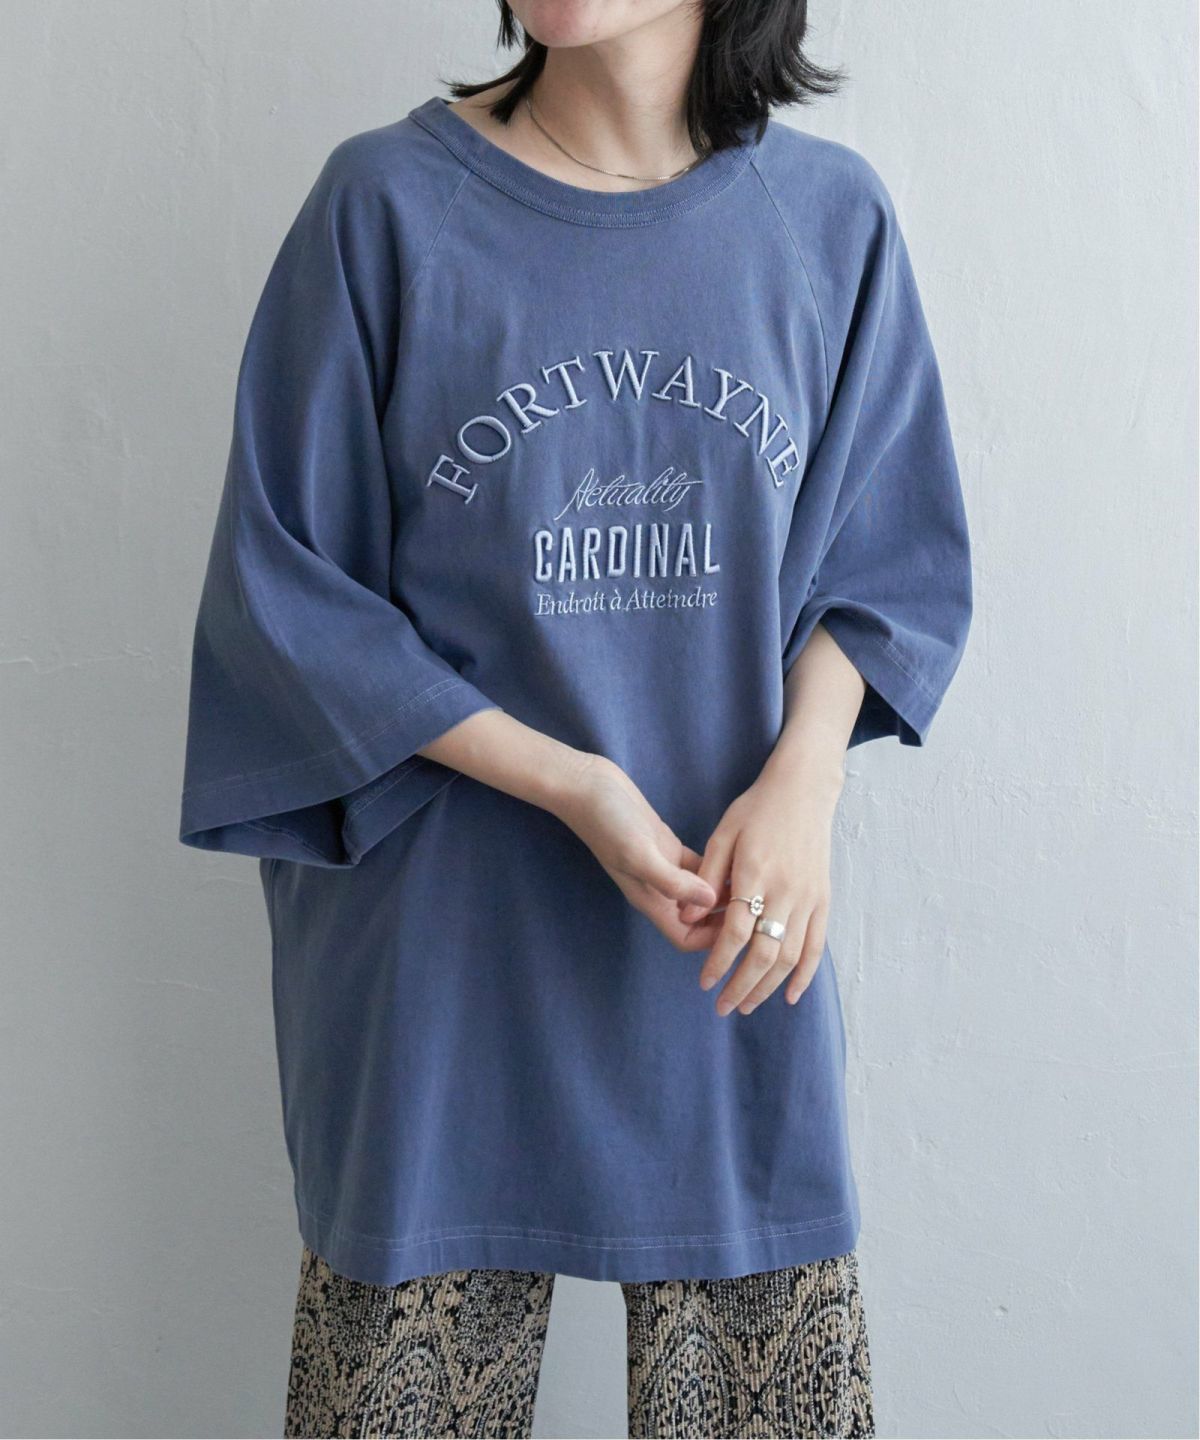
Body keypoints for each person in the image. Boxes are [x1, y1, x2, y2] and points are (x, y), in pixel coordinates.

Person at [178, 0, 972, 1435]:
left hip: (723, 941)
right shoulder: (386, 207)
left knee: (765, 1399)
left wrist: (805, 785)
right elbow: (287, 593)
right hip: (440, 958)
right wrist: (571, 784)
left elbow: (882, 565)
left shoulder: (824, 223)